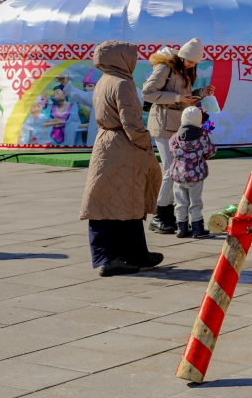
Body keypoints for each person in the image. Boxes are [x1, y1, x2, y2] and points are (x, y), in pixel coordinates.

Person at [79, 41, 164, 277]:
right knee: (119, 203)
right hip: (124, 146)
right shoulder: (124, 83)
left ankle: (134, 254)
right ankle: (110, 259)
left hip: (106, 142)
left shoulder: (104, 80)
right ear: (122, 58)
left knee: (117, 201)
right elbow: (132, 121)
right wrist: (144, 142)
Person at [143, 39, 214, 235]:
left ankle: (170, 216)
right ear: (181, 55)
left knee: (175, 170)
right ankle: (160, 215)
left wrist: (200, 93)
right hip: (163, 124)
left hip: (177, 125)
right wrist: (178, 99)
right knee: (170, 170)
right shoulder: (165, 68)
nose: (190, 64)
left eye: (194, 62)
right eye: (188, 60)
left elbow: (184, 95)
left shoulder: (185, 71)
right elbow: (148, 93)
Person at [168, 106, 216, 239]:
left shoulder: (175, 137)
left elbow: (171, 150)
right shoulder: (203, 138)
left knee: (180, 202)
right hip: (196, 175)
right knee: (195, 202)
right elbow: (211, 151)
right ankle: (197, 228)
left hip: (178, 175)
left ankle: (182, 228)